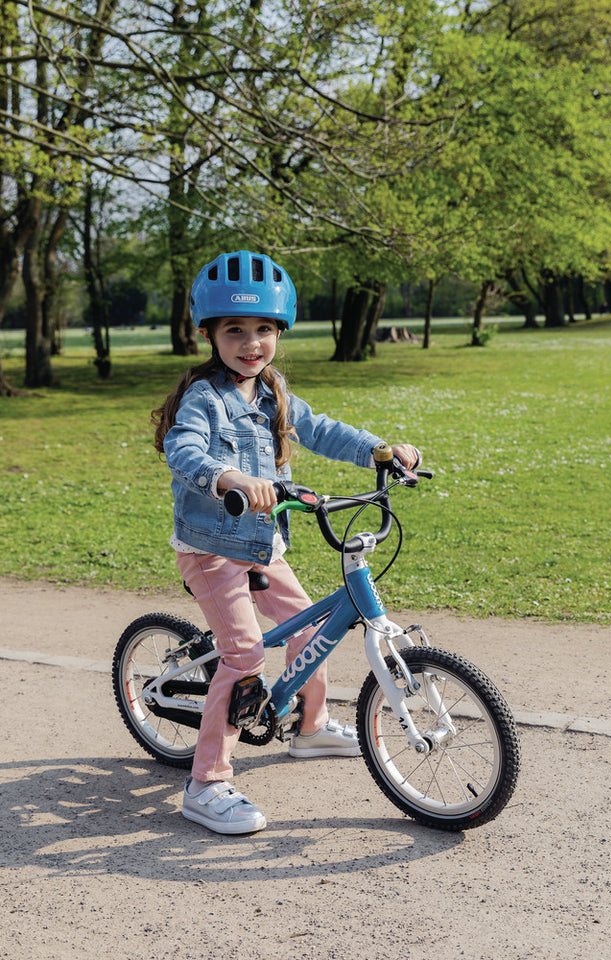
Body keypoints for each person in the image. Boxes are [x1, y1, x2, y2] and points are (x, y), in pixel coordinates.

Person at [152, 250, 421, 835]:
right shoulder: (205, 398)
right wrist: (230, 478)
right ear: (208, 334)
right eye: (235, 331)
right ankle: (206, 784)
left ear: (279, 332)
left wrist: (380, 449)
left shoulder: (273, 395)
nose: (252, 343)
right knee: (245, 653)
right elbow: (185, 450)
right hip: (213, 547)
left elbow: (322, 429)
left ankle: (311, 727)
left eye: (264, 330)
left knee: (310, 629)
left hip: (262, 544)